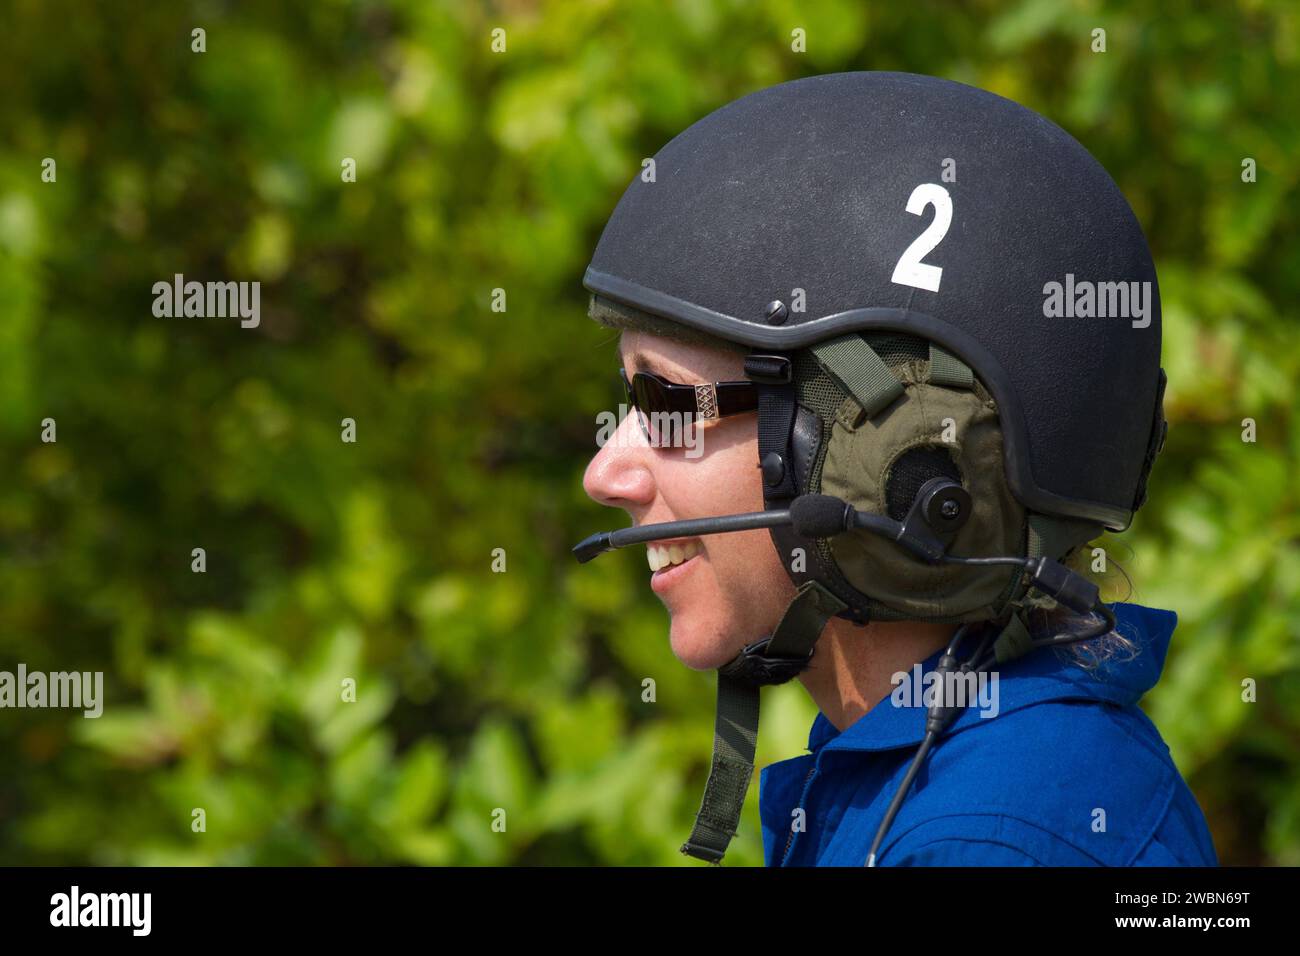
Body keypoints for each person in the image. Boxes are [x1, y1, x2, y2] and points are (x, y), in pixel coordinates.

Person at [575, 71, 1218, 866]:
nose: (605, 473)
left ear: (903, 456)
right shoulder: (916, 772)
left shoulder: (988, 843)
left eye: (666, 399)